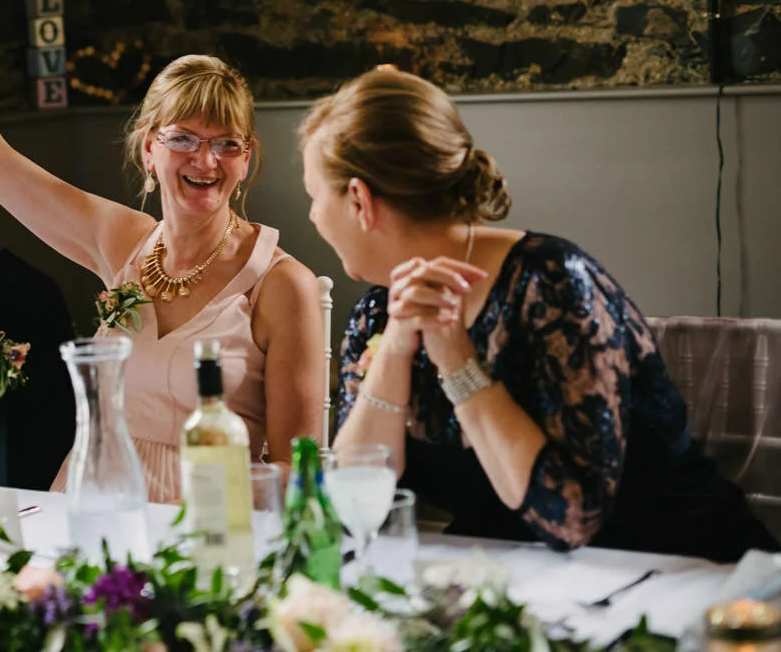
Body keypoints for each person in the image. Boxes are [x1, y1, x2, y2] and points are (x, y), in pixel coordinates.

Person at [0, 0, 325, 503]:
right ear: (148, 149)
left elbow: (299, 470)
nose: (207, 159)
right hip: (96, 504)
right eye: (184, 138)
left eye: (227, 143)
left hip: (209, 525)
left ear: (246, 159)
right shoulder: (125, 242)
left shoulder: (279, 283)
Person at [305, 67, 776, 561]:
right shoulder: (378, 313)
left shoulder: (554, 285)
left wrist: (456, 360)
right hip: (519, 582)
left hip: (681, 571)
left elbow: (572, 519)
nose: (313, 215)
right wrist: (396, 349)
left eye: (315, 195)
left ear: (359, 201)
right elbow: (353, 506)